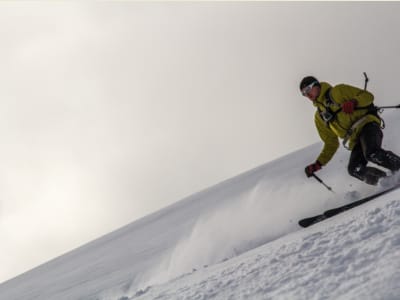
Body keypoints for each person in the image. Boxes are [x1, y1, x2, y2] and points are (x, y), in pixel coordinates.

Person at [300, 75, 400, 185]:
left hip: (367, 125)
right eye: (304, 93)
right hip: (355, 139)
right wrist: (318, 163)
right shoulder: (320, 116)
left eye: (308, 90)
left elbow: (368, 96)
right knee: (354, 169)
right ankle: (386, 181)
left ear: (316, 85)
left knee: (372, 153)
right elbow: (331, 143)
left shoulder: (338, 91)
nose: (307, 95)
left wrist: (354, 102)